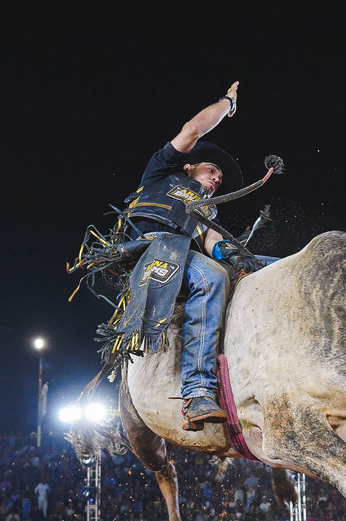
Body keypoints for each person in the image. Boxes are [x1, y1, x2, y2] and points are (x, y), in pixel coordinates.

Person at [109, 81, 271, 431]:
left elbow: (213, 240)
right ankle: (197, 391)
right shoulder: (160, 172)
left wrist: (240, 258)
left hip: (184, 255)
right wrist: (228, 103)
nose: (217, 179)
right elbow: (194, 129)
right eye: (212, 170)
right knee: (211, 277)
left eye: (220, 178)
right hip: (152, 248)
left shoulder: (207, 210)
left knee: (269, 267)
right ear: (189, 167)